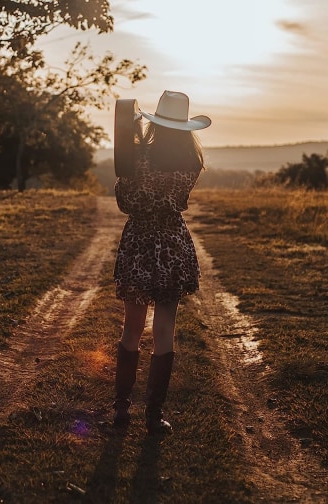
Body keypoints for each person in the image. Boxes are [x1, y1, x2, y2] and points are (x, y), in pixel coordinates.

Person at [112, 90, 211, 434]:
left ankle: (122, 411)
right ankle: (154, 417)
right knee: (165, 331)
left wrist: (135, 138)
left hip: (139, 240)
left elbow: (127, 202)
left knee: (132, 328)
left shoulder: (137, 156)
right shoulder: (191, 160)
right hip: (171, 241)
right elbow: (174, 198)